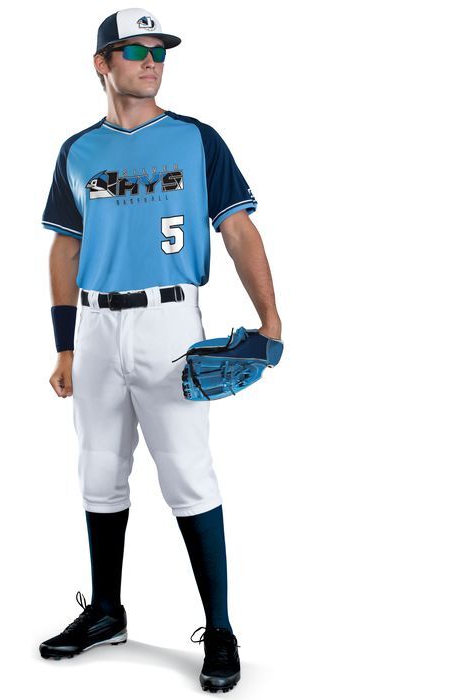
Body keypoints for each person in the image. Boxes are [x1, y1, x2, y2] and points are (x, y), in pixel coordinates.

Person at [38, 7, 282, 693]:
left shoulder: (197, 139)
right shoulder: (77, 150)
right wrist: (63, 346)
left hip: (169, 322)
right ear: (102, 64)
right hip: (94, 326)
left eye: (160, 51)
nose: (152, 61)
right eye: (136, 50)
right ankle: (106, 612)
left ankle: (221, 629)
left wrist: (270, 319)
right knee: (98, 470)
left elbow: (238, 230)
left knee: (188, 475)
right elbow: (65, 248)